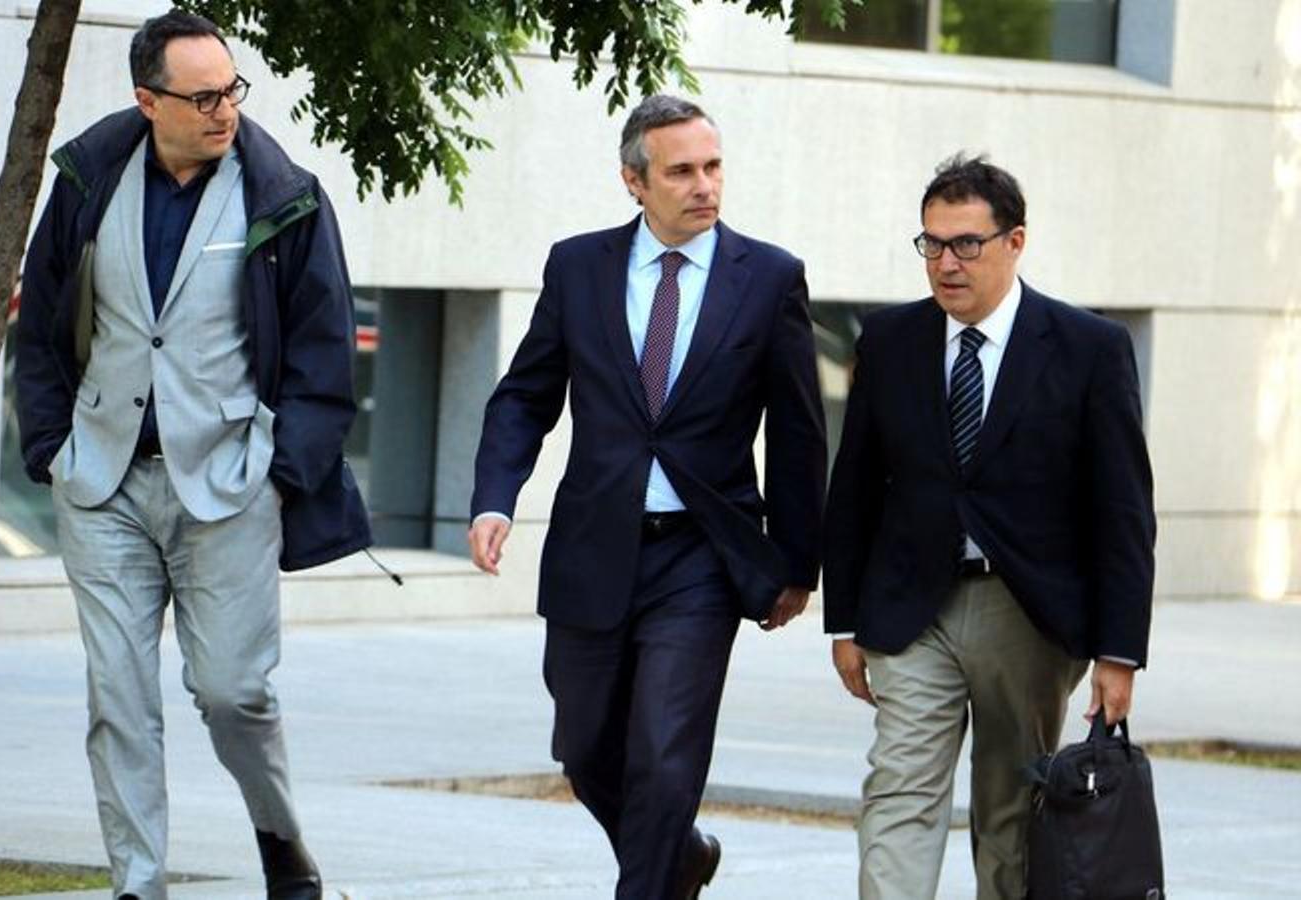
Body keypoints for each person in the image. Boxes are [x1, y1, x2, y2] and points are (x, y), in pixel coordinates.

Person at [15, 10, 369, 900]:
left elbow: (327, 348)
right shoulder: (90, 180)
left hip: (230, 485)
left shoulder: (281, 194)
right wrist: (51, 447)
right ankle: (138, 884)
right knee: (119, 700)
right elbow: (46, 316)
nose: (225, 111)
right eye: (204, 97)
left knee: (232, 690)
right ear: (148, 101)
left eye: (232, 90)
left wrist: (285, 477)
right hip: (102, 483)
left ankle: (281, 841)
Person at [468, 94, 826, 899]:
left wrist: (797, 563)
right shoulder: (577, 266)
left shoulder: (768, 278)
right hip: (595, 546)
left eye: (713, 166)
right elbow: (527, 395)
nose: (704, 186)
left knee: (667, 753)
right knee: (586, 747)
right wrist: (494, 499)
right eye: (681, 172)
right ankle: (681, 858)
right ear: (634, 181)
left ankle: (650, 880)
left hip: (701, 557)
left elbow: (800, 432)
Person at [823, 153, 1155, 899]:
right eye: (932, 244)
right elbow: (854, 489)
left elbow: (1124, 509)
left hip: (1029, 612)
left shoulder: (1089, 349)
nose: (946, 263)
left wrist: (1119, 651)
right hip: (913, 608)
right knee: (898, 791)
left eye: (966, 243)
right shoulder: (889, 342)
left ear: (1016, 242)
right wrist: (841, 619)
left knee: (1009, 811)